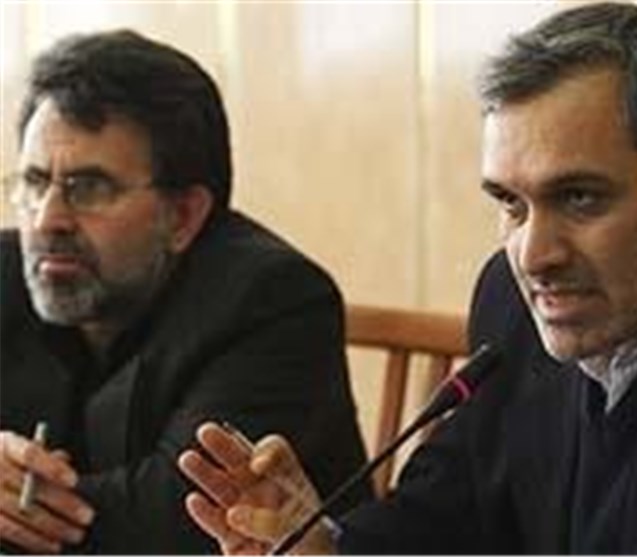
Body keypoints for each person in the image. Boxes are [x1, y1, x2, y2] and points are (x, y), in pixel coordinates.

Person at [178, 2, 637, 554]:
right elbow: (443, 515)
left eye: (579, 198)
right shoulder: (510, 300)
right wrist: (328, 549)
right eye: (510, 203)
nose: (533, 255)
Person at [0, 30, 371, 554]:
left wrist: (16, 512)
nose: (47, 219)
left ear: (183, 215)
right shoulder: (6, 270)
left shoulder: (275, 300)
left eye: (89, 188)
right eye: (35, 182)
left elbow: (177, 522)